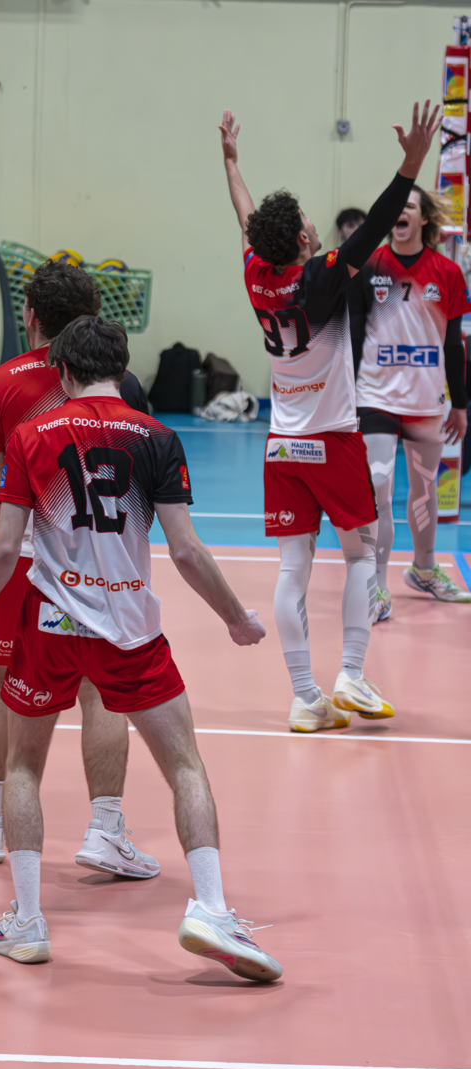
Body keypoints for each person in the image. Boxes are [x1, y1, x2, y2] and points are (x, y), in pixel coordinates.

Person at [0, 315, 280, 981]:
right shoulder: (158, 438)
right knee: (185, 766)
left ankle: (27, 922)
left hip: (50, 627)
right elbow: (186, 551)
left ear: (63, 372)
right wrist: (235, 617)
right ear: (123, 368)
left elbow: (4, 545)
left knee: (24, 768)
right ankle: (211, 909)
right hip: (130, 631)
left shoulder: (31, 435)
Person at [0, 261, 158, 879]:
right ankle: (106, 831)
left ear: (29, 316)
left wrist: (18, 542)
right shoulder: (124, 384)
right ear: (92, 318)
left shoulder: (0, 383)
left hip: (22, 556)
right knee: (101, 688)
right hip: (97, 563)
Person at [219, 101, 441, 733]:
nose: (315, 224)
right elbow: (376, 225)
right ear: (302, 240)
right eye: (308, 222)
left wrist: (231, 163)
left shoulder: (257, 274)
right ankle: (349, 674)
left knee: (293, 569)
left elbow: (245, 217)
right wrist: (411, 164)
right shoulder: (321, 278)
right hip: (333, 438)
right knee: (361, 556)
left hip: (282, 445)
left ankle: (304, 697)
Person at [351, 186, 470, 618]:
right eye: (397, 207)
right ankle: (377, 586)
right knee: (379, 484)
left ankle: (423, 569)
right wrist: (346, 395)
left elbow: (454, 345)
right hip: (376, 397)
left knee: (423, 488)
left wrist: (460, 405)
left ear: (424, 219)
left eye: (410, 207)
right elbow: (354, 335)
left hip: (426, 400)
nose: (401, 212)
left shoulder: (447, 272)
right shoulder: (368, 267)